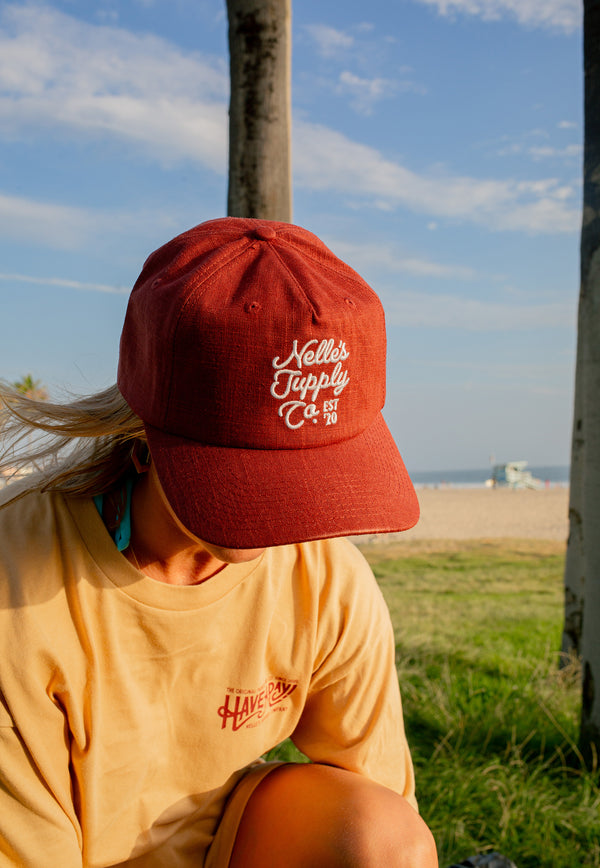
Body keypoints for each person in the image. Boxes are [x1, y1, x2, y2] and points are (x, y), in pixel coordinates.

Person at [0, 217, 438, 868]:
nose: (291, 518)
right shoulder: (20, 584)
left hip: (230, 846)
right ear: (146, 429)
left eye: (316, 471)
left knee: (387, 839)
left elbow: (383, 803)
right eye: (255, 471)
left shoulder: (326, 581)